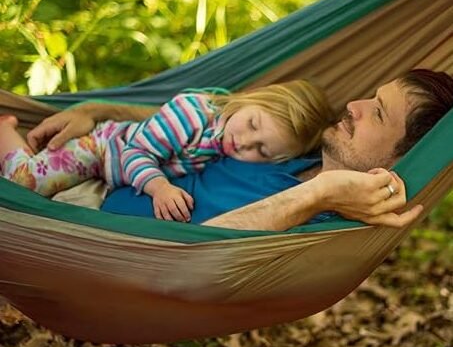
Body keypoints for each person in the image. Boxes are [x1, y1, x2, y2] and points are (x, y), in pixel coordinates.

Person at [9, 69, 453, 230]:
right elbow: (206, 121)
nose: (353, 106)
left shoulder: (330, 222)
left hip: (89, 241)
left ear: (405, 156)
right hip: (91, 187)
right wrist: (102, 110)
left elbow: (201, 260)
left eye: (377, 113)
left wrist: (319, 192)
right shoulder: (298, 147)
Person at [0, 80, 334, 222]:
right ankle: (5, 130)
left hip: (111, 173)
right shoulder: (191, 113)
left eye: (261, 150)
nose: (244, 142)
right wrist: (159, 187)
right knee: (27, 184)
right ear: (251, 99)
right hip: (101, 148)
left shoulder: (225, 143)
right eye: (252, 124)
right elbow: (134, 153)